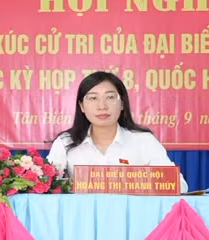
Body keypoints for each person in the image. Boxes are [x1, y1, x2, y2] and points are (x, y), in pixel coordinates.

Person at [47, 71, 188, 193]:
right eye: (93, 98)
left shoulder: (143, 140)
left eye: (110, 97)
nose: (102, 106)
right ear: (82, 106)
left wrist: (133, 183)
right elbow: (46, 185)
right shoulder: (65, 142)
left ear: (122, 104)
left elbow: (180, 186)